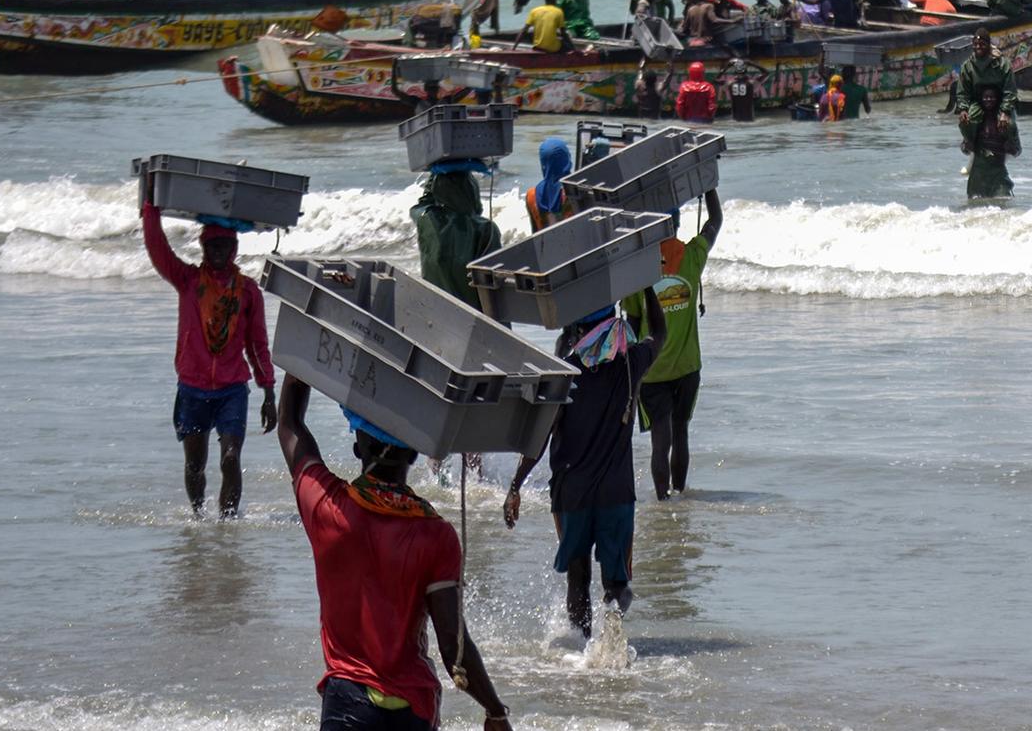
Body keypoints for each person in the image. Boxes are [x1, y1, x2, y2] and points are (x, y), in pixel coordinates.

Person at [277, 381, 516, 731]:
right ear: (416, 453)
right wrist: (494, 710)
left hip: (347, 704)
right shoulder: (436, 534)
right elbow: (453, 649)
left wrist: (302, 354)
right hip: (411, 709)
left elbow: (290, 423)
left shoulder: (327, 509)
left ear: (358, 448)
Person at [505, 288, 667, 641]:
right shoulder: (631, 363)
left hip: (571, 494)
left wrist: (516, 485)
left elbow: (540, 436)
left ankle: (581, 651)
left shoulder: (563, 375)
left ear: (577, 332)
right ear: (613, 324)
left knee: (577, 578)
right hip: (616, 495)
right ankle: (612, 629)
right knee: (618, 584)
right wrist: (647, 285)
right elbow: (660, 334)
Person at [140, 194, 274, 519]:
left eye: (224, 247)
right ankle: (199, 519)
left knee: (230, 458)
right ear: (203, 247)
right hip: (192, 388)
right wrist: (149, 208)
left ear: (234, 249)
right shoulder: (187, 281)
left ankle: (227, 525)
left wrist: (269, 391)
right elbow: (158, 249)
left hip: (232, 390)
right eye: (212, 246)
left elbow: (257, 344)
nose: (218, 253)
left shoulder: (247, 291)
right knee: (194, 465)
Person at [625, 190, 721, 502]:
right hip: (688, 366)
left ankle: (664, 503)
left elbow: (633, 319)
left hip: (651, 370)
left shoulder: (637, 269)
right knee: (681, 432)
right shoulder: (693, 255)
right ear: (678, 223)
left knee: (660, 440)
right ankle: (679, 494)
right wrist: (708, 187)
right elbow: (715, 221)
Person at [411, 169, 503, 304]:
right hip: (474, 313)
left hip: (435, 309)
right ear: (473, 192)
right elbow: (495, 281)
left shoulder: (426, 220)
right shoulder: (485, 228)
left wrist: (437, 169)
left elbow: (424, 202)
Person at [953, 28, 1018, 147]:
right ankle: (970, 143)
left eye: (982, 44)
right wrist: (963, 109)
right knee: (965, 122)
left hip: (999, 103)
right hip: (978, 102)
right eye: (976, 44)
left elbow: (1010, 91)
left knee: (1009, 125)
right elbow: (963, 92)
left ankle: (1013, 144)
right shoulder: (968, 66)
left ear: (988, 44)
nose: (979, 47)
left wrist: (1005, 111)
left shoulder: (1002, 64)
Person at [961, 87, 1020, 199]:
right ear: (981, 100)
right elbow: (964, 148)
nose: (989, 100)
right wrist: (967, 147)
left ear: (997, 100)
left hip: (998, 173)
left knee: (1003, 203)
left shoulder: (1007, 124)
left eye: (992, 97)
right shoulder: (975, 121)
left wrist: (1010, 147)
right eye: (986, 97)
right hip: (978, 175)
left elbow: (1017, 150)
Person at [526, 137, 578, 232]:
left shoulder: (531, 195)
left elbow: (535, 234)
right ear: (567, 159)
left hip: (546, 245)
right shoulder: (575, 191)